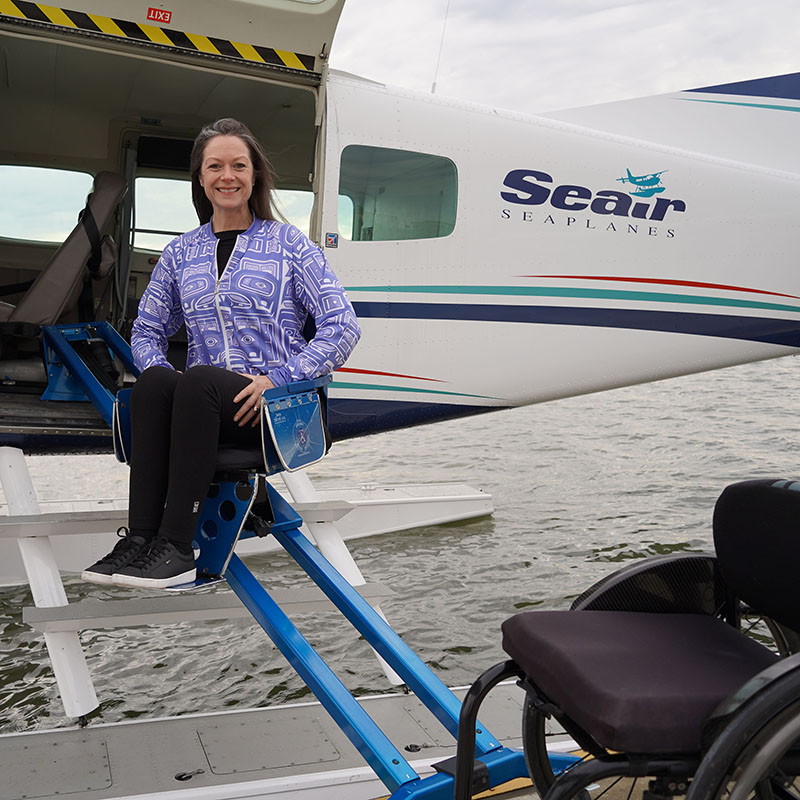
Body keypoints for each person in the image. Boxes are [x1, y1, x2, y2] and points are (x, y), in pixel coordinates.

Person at [81, 118, 361, 590]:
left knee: (198, 380)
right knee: (155, 382)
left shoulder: (290, 245)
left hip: (272, 407)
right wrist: (161, 379)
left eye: (238, 165)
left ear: (254, 177)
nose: (227, 175)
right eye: (215, 166)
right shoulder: (179, 253)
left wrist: (281, 377)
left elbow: (342, 326)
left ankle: (176, 546)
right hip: (201, 405)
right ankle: (141, 539)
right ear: (201, 177)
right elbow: (146, 331)